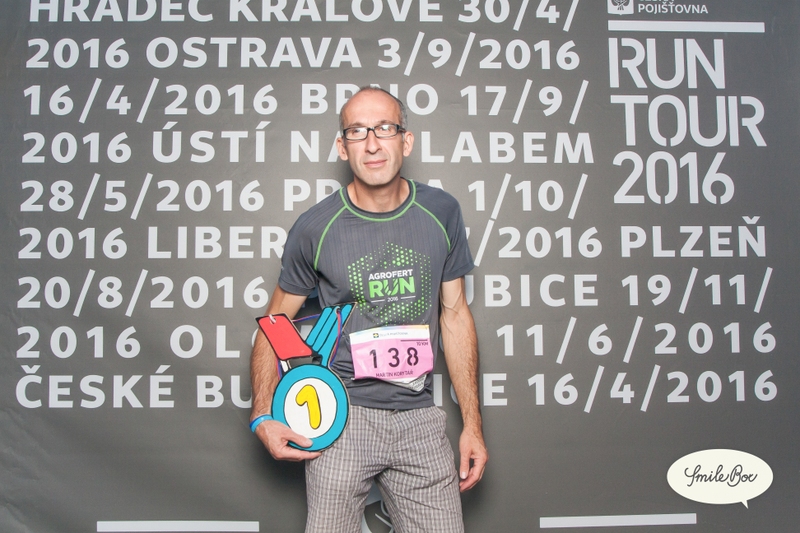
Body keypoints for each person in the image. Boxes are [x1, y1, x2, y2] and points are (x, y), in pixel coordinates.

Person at [250, 86, 487, 532]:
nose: (373, 143)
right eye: (357, 131)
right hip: (341, 418)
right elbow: (274, 324)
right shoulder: (315, 227)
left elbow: (455, 314)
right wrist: (262, 413)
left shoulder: (442, 212)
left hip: (419, 418)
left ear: (406, 140)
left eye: (384, 128)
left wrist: (472, 425)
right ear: (343, 147)